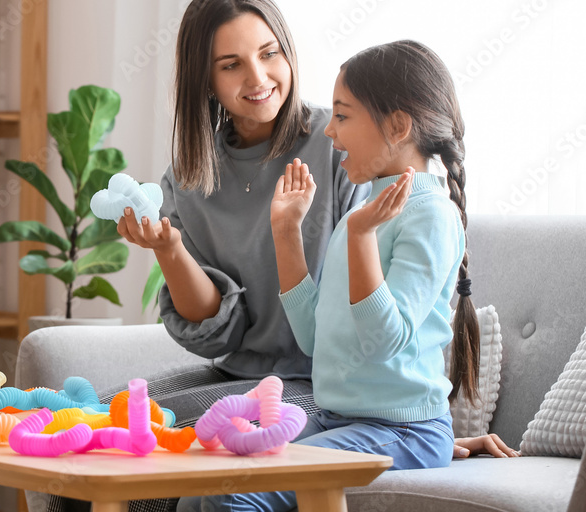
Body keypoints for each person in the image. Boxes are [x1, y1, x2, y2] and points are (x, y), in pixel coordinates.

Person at [46, 0, 514, 512]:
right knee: (81, 442)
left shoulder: (352, 156)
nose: (258, 77)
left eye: (269, 54)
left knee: (159, 470)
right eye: (231, 64)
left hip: (311, 386)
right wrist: (170, 249)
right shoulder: (192, 173)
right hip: (256, 377)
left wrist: (416, 432)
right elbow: (237, 328)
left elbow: (383, 338)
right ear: (205, 78)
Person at [177, 39, 487, 512]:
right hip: (339, 418)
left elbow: (387, 339)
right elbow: (313, 340)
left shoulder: (430, 217)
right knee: (207, 477)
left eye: (343, 116)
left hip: (404, 432)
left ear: (398, 125)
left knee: (235, 494)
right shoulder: (362, 216)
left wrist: (363, 239)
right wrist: (286, 233)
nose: (329, 132)